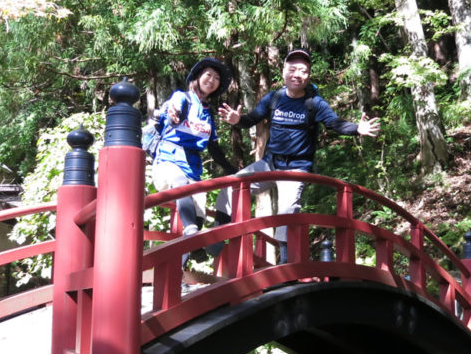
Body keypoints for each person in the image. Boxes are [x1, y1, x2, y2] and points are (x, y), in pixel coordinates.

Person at [216, 48, 380, 263]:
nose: (297, 74)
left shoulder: (315, 104)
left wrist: (357, 129)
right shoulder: (274, 98)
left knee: (287, 213)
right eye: (292, 69)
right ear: (284, 71)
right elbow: (252, 118)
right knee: (231, 186)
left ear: (308, 76)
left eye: (303, 71)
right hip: (270, 163)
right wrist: (237, 120)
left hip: (296, 169)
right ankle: (216, 241)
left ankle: (286, 264)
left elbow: (334, 123)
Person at [151, 57, 235, 263]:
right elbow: (173, 115)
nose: (212, 80)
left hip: (193, 170)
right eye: (208, 75)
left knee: (198, 213)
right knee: (181, 185)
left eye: (216, 78)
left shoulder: (208, 115)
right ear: (197, 77)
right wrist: (173, 117)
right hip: (168, 162)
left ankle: (182, 270)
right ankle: (191, 234)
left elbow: (214, 149)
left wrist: (233, 171)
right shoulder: (182, 98)